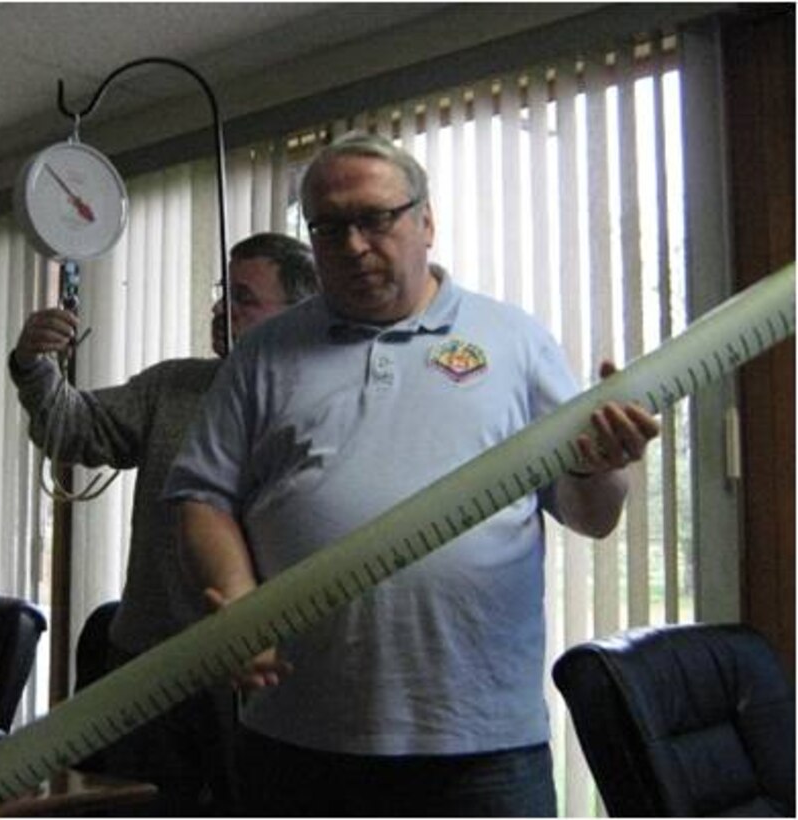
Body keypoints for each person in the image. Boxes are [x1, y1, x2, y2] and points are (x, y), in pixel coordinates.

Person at [164, 133, 661, 816]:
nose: (353, 244)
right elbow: (201, 493)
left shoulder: (513, 341)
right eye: (329, 227)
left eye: (375, 218)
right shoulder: (263, 354)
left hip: (479, 744)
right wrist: (236, 595)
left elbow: (591, 516)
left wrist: (601, 466)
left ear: (425, 220)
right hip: (299, 737)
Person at [8, 232, 318, 815]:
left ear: (299, 311)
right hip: (148, 663)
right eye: (223, 293)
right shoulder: (174, 385)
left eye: (246, 298)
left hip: (261, 672)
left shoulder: (323, 402)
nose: (224, 309)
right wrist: (33, 365)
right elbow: (74, 429)